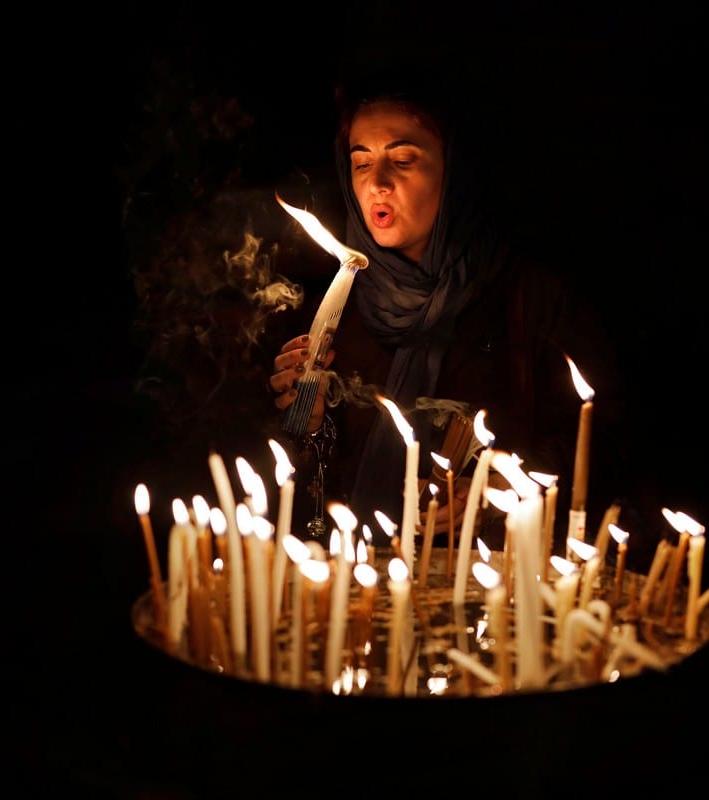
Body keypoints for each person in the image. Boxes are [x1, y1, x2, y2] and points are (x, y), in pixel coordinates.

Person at [266, 68, 647, 553]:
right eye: (361, 164)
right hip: (371, 585)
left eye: (403, 159)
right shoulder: (341, 313)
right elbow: (319, 489)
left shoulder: (532, 299)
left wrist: (504, 483)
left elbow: (610, 441)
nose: (377, 183)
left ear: (454, 170)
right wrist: (309, 418)